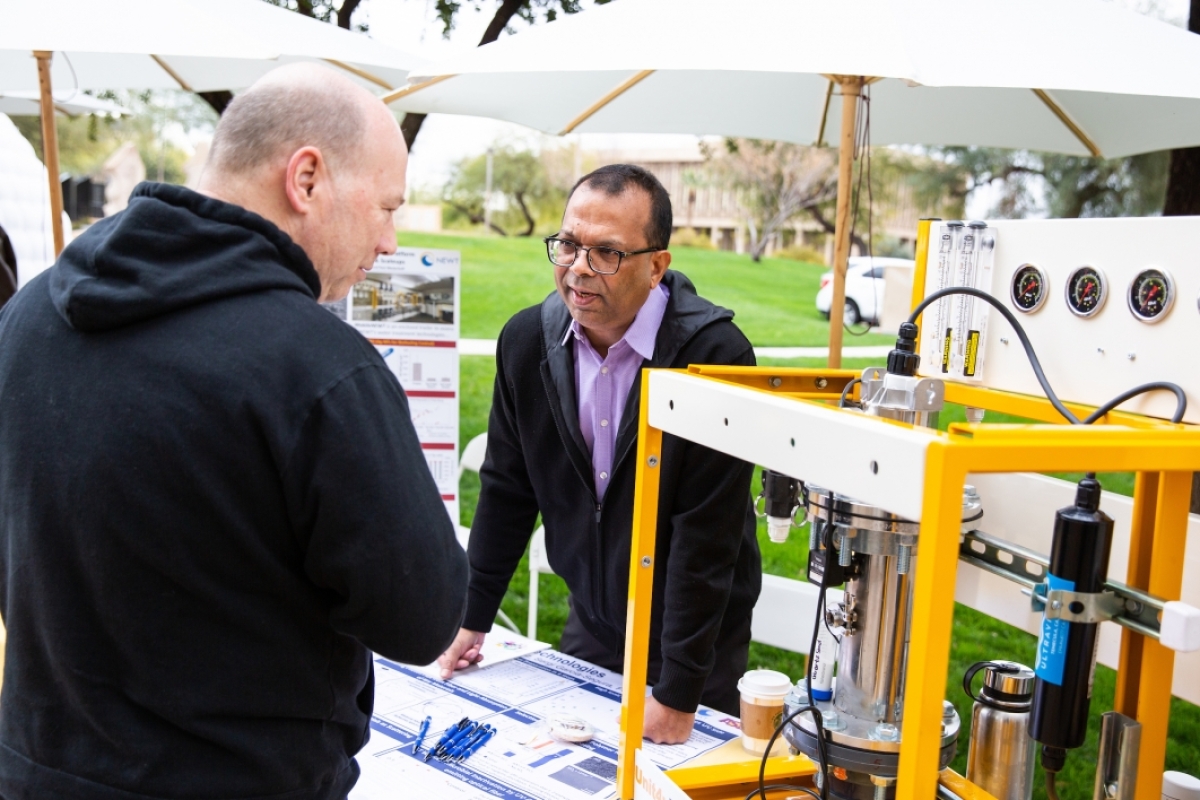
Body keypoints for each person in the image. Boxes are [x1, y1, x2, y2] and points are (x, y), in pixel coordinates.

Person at [0, 64, 468, 800]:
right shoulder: (318, 370)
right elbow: (421, 617)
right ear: (306, 179)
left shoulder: (25, 319)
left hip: (38, 771)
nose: (389, 241)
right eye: (385, 207)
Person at [438, 164, 762, 744]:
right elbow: (508, 488)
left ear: (657, 264)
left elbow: (707, 536)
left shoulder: (717, 356)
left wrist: (680, 688)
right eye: (568, 245)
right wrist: (472, 615)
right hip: (591, 621)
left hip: (693, 644)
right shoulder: (525, 342)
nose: (579, 269)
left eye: (607, 253)